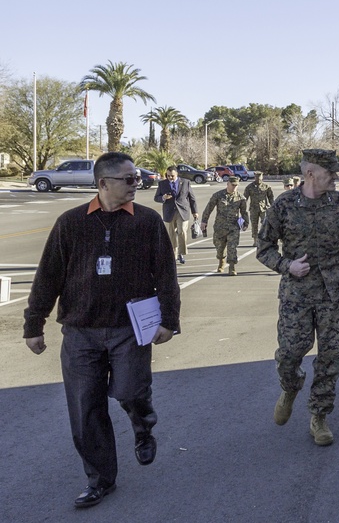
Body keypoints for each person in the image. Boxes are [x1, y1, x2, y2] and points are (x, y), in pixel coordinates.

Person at [23, 151, 180, 509]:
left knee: (130, 392)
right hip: (81, 331)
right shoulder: (71, 222)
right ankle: (100, 479)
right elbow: (48, 276)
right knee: (85, 408)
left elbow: (166, 275)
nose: (135, 185)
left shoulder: (147, 222)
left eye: (136, 179)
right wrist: (34, 324)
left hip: (130, 329)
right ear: (103, 183)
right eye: (128, 180)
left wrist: (169, 320)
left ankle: (143, 427)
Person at [256, 149, 339, 446]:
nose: (336, 178)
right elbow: (263, 247)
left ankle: (319, 415)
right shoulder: (285, 205)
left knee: (331, 357)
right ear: (311, 174)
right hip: (296, 296)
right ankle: (290, 388)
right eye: (331, 174)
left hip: (332, 294)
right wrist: (286, 265)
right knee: (289, 355)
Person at [200, 176, 249, 276]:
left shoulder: (241, 198)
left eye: (236, 185)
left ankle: (232, 267)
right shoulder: (218, 195)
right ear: (228, 184)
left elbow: (244, 213)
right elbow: (208, 209)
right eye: (232, 185)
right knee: (219, 247)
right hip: (220, 227)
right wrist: (204, 221)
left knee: (232, 247)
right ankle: (221, 261)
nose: (234, 187)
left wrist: (245, 223)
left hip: (233, 227)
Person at [153, 166, 199, 264]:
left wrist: (195, 211)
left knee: (182, 231)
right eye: (168, 176)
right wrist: (163, 197)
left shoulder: (185, 182)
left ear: (177, 174)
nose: (170, 178)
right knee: (171, 234)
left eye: (172, 176)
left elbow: (192, 198)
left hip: (182, 211)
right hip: (169, 212)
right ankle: (173, 254)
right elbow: (156, 198)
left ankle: (181, 253)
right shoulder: (162, 184)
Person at [243, 171, 274, 244]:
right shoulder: (249, 187)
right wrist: (242, 208)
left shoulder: (266, 186)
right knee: (254, 225)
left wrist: (273, 207)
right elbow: (245, 198)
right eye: (257, 178)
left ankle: (265, 239)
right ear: (255, 177)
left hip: (264, 209)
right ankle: (255, 240)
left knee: (265, 224)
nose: (258, 180)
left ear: (262, 177)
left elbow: (271, 198)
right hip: (254, 209)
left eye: (260, 178)